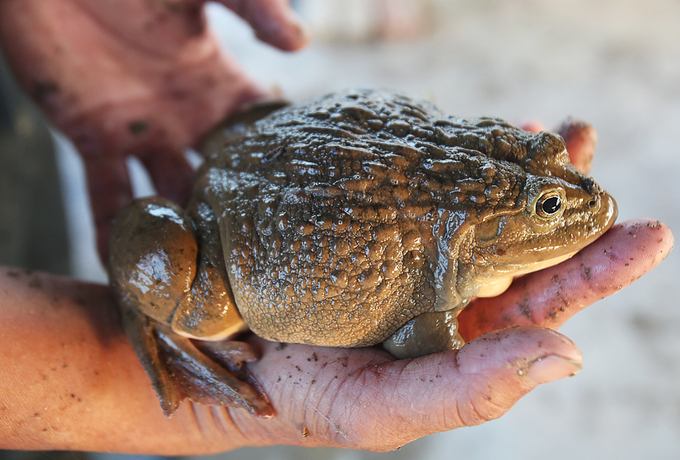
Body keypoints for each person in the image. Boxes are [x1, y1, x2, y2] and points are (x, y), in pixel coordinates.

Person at [0, 0, 673, 454]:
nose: (586, 202)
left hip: (268, 143)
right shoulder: (443, 279)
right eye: (549, 208)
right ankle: (150, 332)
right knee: (202, 309)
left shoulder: (473, 173)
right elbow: (420, 342)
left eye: (546, 172)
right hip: (221, 234)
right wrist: (96, 371)